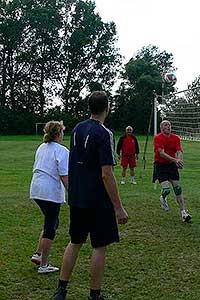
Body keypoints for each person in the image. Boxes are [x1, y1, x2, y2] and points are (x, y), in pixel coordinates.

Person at [53, 91, 129, 300]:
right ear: (107, 108)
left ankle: (61, 290)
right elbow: (107, 173)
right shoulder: (104, 134)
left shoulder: (77, 128)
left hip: (77, 198)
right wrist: (118, 207)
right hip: (97, 201)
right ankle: (94, 295)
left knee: (75, 241)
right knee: (99, 246)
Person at [29, 121, 69, 274]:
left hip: (37, 188)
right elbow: (64, 175)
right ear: (59, 134)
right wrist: (73, 193)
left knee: (51, 221)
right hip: (49, 191)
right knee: (50, 227)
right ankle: (44, 265)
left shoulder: (42, 147)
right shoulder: (62, 150)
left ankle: (38, 254)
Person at [153, 120, 192, 222]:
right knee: (166, 190)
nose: (168, 127)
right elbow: (161, 153)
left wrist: (179, 160)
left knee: (178, 188)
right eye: (166, 125)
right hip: (160, 165)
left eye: (169, 125)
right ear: (161, 128)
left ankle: (184, 213)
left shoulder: (176, 138)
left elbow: (179, 151)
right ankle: (163, 197)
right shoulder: (158, 138)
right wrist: (176, 160)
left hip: (171, 166)